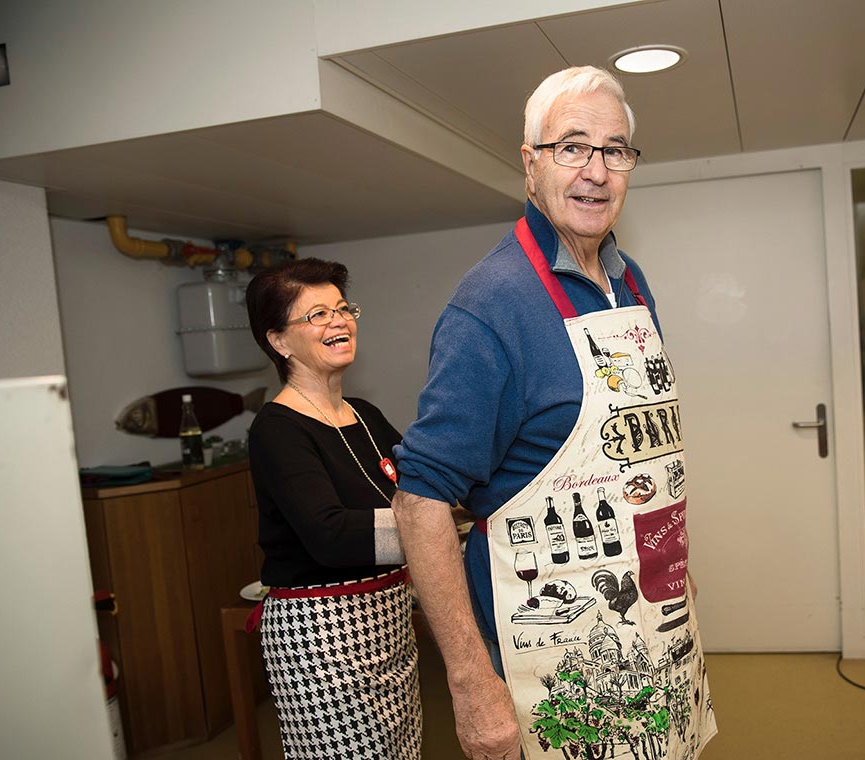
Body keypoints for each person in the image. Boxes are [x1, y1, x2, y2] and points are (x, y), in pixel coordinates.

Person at [391, 66, 716, 760]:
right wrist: (472, 681)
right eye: (572, 146)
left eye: (615, 149)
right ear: (530, 165)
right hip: (549, 650)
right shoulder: (491, 305)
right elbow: (420, 501)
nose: (596, 171)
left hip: (654, 623)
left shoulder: (630, 281)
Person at [244, 258, 421, 760]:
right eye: (316, 314)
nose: (339, 321)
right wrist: (431, 529)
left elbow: (424, 484)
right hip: (321, 635)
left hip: (390, 618)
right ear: (278, 341)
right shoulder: (277, 429)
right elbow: (332, 535)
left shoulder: (365, 414)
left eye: (343, 309)